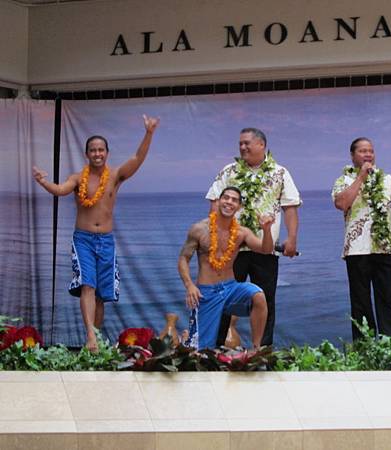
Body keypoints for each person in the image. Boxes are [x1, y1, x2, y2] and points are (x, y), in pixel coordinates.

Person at [32, 115, 160, 351]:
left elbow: (137, 158)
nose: (97, 154)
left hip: (107, 242)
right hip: (84, 240)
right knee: (87, 285)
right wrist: (43, 182)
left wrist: (149, 133)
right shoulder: (77, 178)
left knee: (101, 295)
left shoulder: (115, 176)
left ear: (107, 153)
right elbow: (60, 190)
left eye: (101, 150)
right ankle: (91, 335)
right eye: (93, 150)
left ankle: (95, 342)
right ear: (87, 154)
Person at [206, 128, 301, 346]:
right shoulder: (229, 171)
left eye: (247, 143)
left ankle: (263, 350)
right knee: (224, 297)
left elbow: (291, 207)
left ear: (261, 145)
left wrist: (292, 238)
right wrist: (215, 237)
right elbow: (214, 202)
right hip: (232, 249)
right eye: (240, 144)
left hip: (265, 249)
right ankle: (216, 348)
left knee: (266, 300)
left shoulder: (280, 172)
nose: (242, 147)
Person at [332, 137, 391, 341]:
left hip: (385, 249)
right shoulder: (343, 181)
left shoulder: (387, 179)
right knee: (360, 302)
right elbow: (342, 203)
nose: (368, 154)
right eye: (363, 151)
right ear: (353, 155)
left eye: (371, 151)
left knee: (388, 300)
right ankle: (365, 349)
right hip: (356, 250)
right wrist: (361, 177)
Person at [178, 186, 273, 349]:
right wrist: (189, 285)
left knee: (258, 295)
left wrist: (266, 229)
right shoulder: (199, 229)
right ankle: (188, 338)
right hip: (206, 292)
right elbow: (183, 259)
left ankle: (256, 348)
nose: (229, 202)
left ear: (239, 207)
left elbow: (265, 249)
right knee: (201, 349)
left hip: (231, 288)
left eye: (234, 200)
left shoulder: (241, 233)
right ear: (219, 201)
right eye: (226, 198)